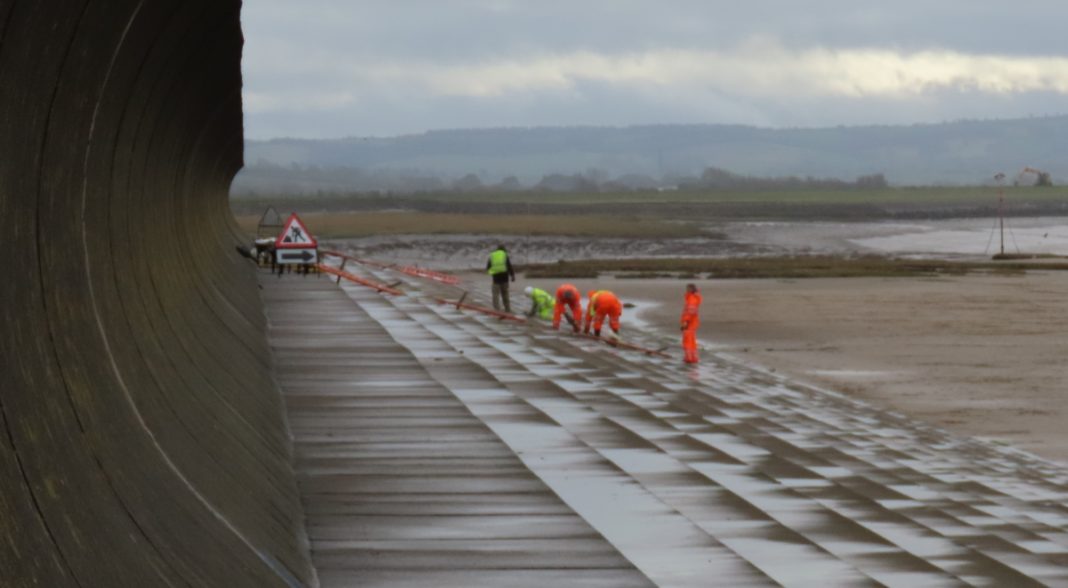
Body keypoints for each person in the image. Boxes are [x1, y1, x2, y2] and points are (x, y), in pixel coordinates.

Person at [486, 244, 515, 312]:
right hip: (505, 278)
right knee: (505, 294)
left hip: (496, 279)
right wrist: (512, 275)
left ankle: (497, 310)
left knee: (495, 295)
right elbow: (509, 266)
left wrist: (492, 272)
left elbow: (488, 267)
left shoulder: (492, 255)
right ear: (504, 249)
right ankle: (507, 309)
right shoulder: (505, 255)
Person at [680, 283, 702, 364]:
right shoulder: (693, 297)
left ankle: (689, 358)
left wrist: (685, 322)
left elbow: (690, 312)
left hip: (690, 322)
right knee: (691, 340)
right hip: (693, 322)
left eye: (688, 289)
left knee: (688, 340)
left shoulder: (691, 298)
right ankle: (693, 357)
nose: (687, 290)